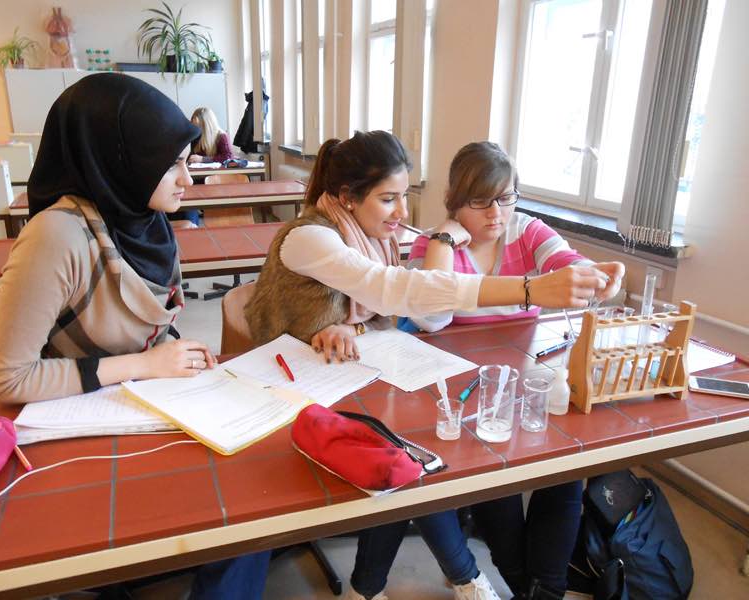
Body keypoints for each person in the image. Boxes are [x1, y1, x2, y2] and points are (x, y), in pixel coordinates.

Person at [243, 131, 613, 600]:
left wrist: (350, 328)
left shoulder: (372, 234)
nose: (402, 212)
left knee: (420, 453)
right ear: (347, 197)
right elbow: (393, 291)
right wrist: (527, 289)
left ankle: (389, 585)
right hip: (286, 386)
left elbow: (372, 311)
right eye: (389, 199)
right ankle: (465, 576)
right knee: (411, 458)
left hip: (345, 371)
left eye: (405, 196)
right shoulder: (309, 237)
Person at [0, 73, 270, 600]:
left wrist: (173, 353)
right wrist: (144, 365)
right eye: (172, 163)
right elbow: (7, 378)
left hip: (139, 402)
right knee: (221, 510)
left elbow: (148, 322)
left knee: (253, 502)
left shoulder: (145, 219)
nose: (187, 179)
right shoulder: (56, 236)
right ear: (122, 158)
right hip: (75, 427)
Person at [405, 141, 625, 599]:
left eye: (505, 198)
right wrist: (444, 239)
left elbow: (566, 263)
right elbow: (432, 318)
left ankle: (541, 590)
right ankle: (539, 589)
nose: (496, 214)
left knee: (565, 469)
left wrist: (593, 274)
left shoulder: (526, 230)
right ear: (454, 200)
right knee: (498, 486)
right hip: (467, 389)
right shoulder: (432, 244)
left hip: (526, 378)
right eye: (480, 201)